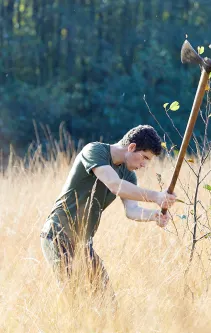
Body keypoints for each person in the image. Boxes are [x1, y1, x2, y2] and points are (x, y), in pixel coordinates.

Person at [40, 125, 176, 302]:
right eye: (144, 158)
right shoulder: (94, 151)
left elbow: (132, 211)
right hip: (58, 235)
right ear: (132, 147)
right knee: (76, 302)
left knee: (107, 302)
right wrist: (156, 196)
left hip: (83, 244)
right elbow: (114, 184)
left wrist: (154, 215)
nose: (144, 165)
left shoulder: (128, 175)